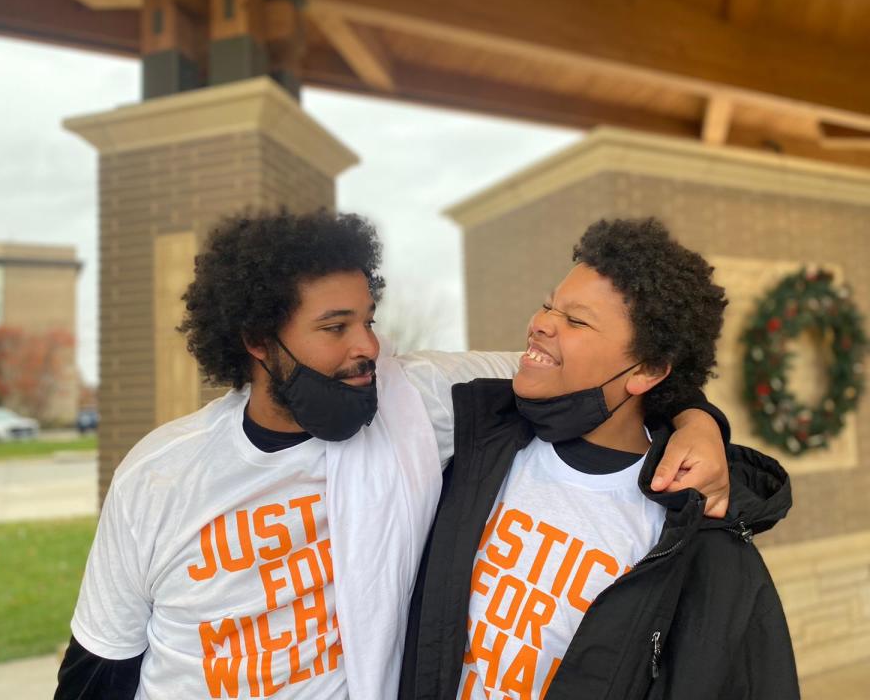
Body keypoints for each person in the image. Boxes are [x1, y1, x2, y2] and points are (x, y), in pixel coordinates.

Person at [55, 210, 733, 700]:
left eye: (369, 319)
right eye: (335, 327)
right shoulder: (161, 471)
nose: (368, 346)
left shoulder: (418, 401)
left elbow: (586, 375)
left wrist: (697, 420)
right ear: (260, 339)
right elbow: (100, 668)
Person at [398, 218, 798, 700]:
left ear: (647, 370)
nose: (541, 322)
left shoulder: (696, 539)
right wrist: (698, 416)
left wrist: (696, 419)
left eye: (577, 320)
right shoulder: (476, 433)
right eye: (549, 305)